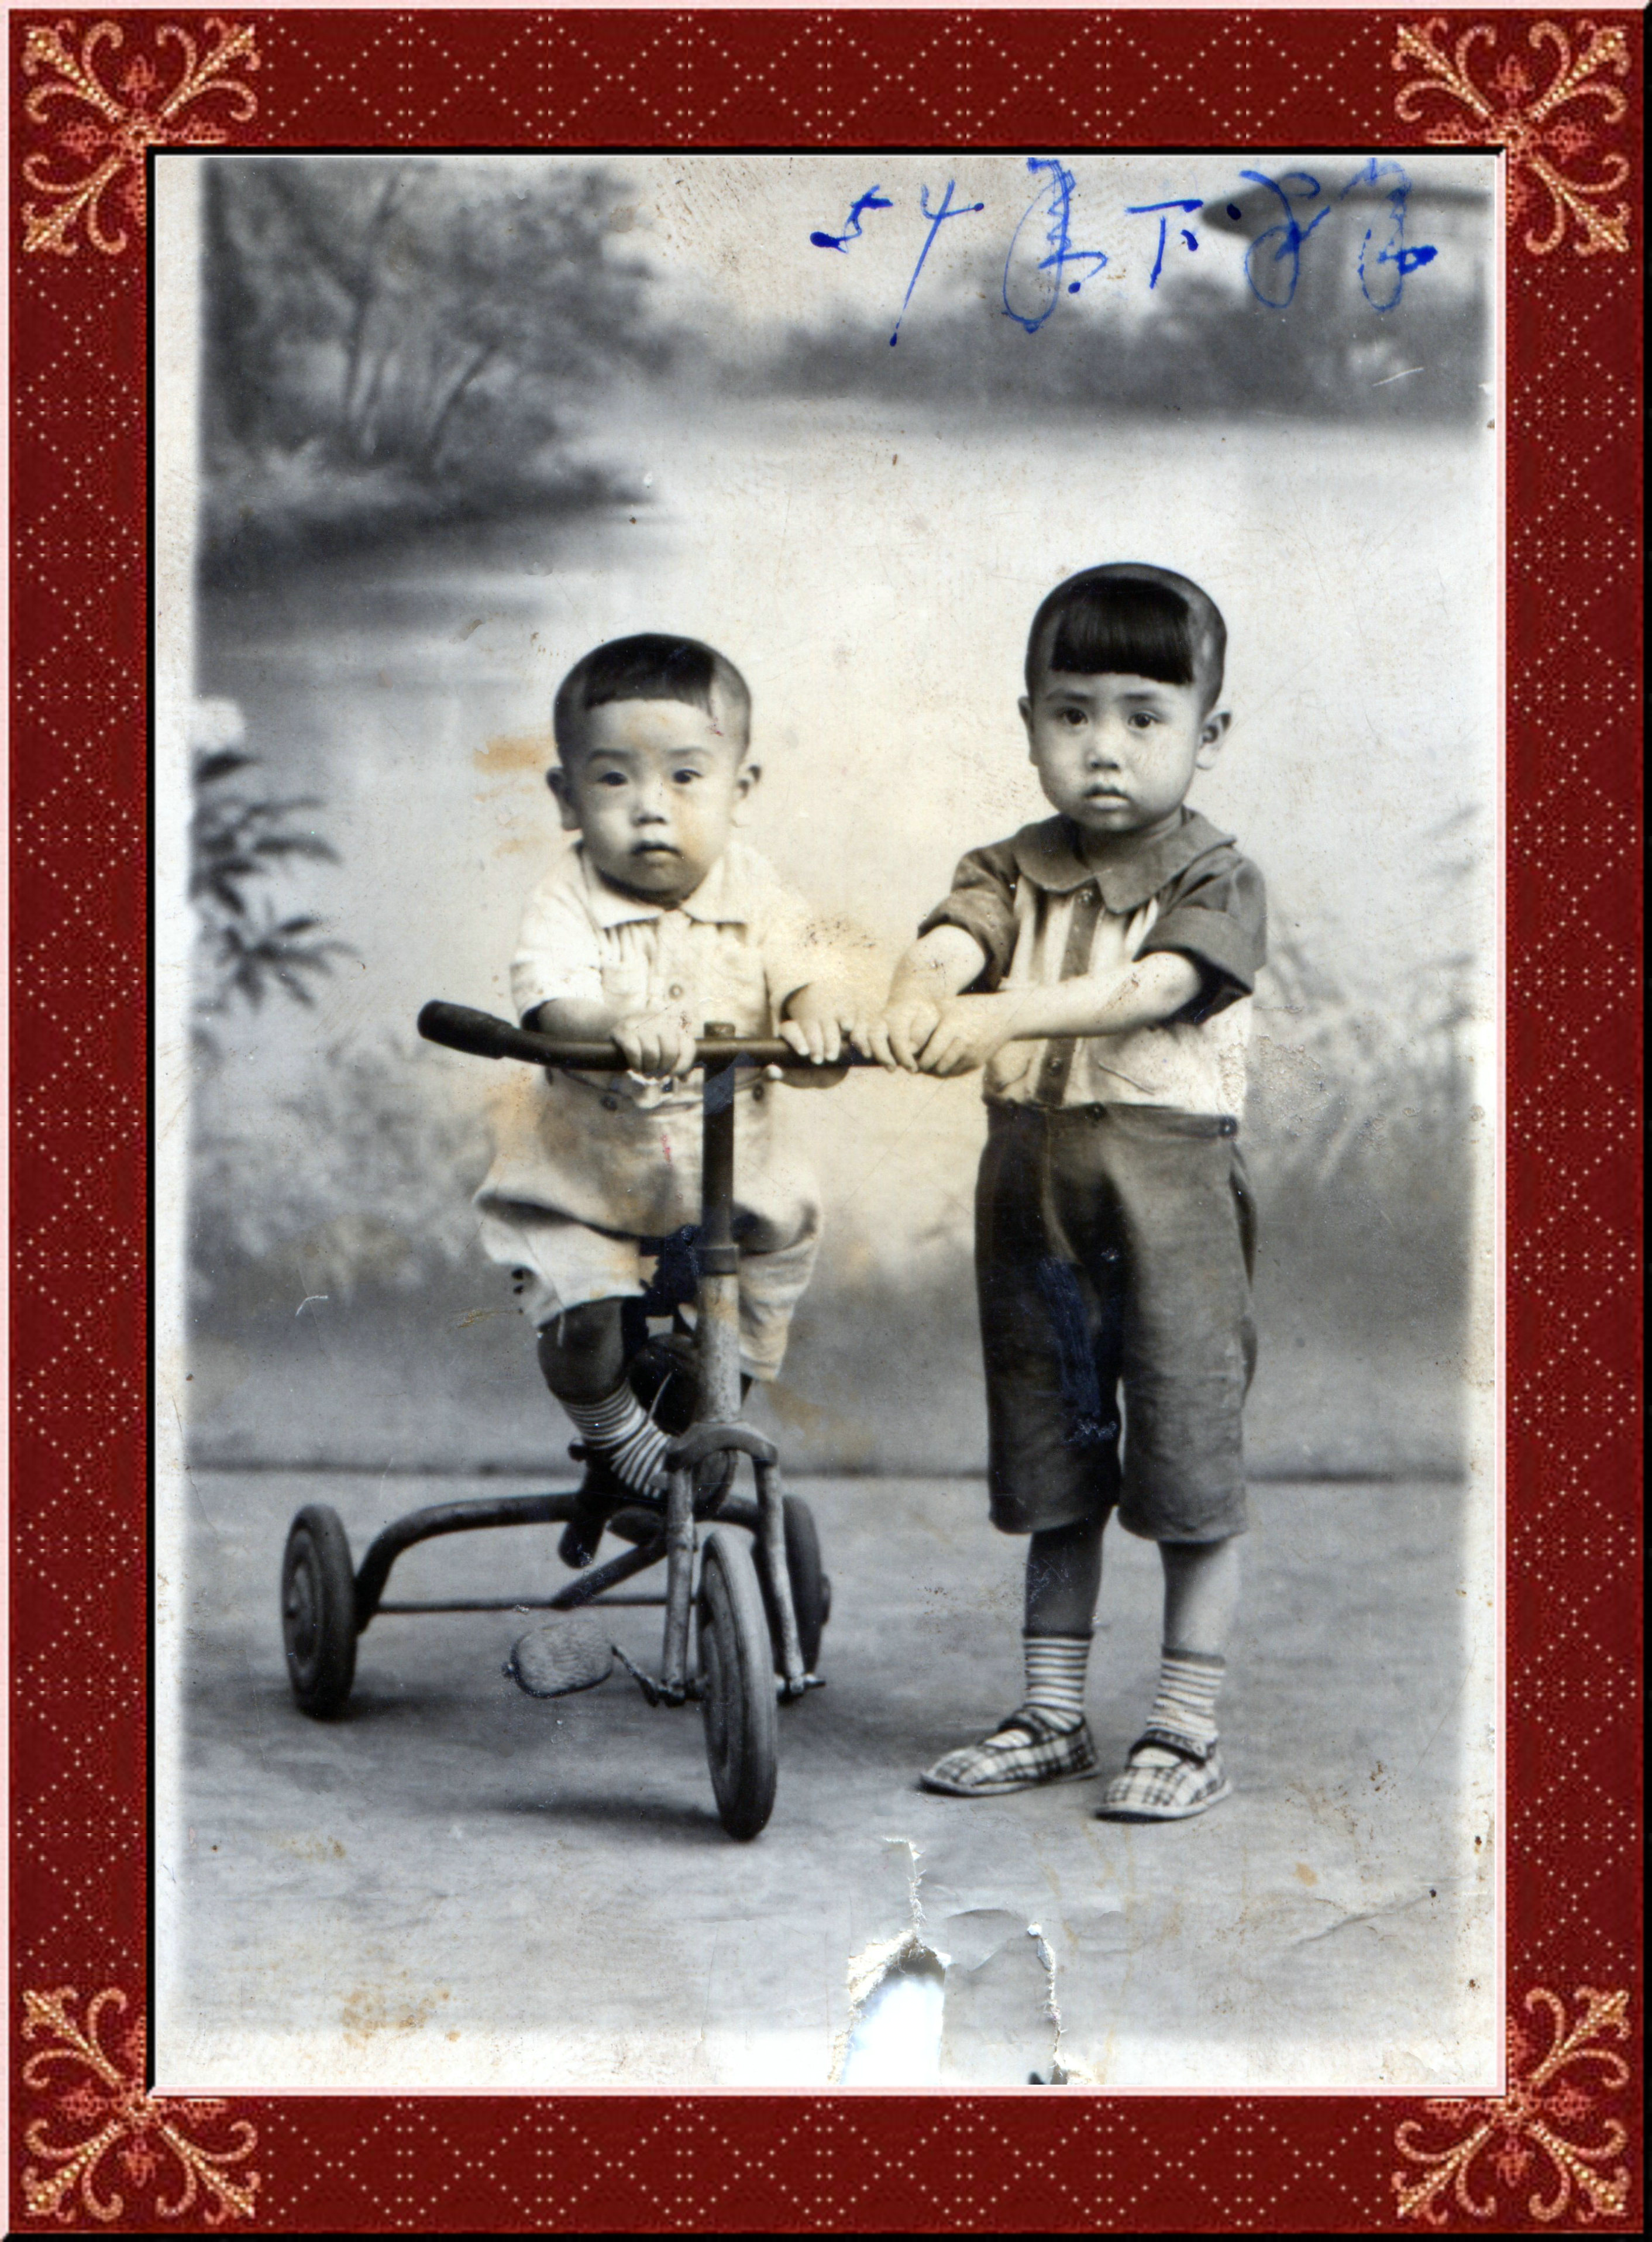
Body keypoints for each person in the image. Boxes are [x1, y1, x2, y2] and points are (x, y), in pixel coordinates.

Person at [871, 564, 1265, 1821]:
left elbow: (1156, 988)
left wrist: (996, 1017)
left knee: (1186, 1454)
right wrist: (919, 994)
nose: (1104, 747)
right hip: (1031, 1195)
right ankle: (1051, 1715)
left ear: (1207, 732)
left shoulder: (1215, 877)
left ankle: (1185, 1728)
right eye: (1071, 713)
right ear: (1029, 721)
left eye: (1144, 717)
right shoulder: (1006, 865)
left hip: (1165, 1200)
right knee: (1054, 1452)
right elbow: (953, 938)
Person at [474, 632, 864, 1568]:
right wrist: (615, 1021)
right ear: (566, 797)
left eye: (687, 777)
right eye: (614, 780)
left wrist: (817, 1019)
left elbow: (809, 968)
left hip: (733, 1191)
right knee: (583, 1316)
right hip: (586, 1184)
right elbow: (552, 998)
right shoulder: (566, 898)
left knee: (737, 1334)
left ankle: (691, 1439)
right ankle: (618, 1438)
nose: (652, 808)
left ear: (741, 787)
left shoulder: (762, 890)